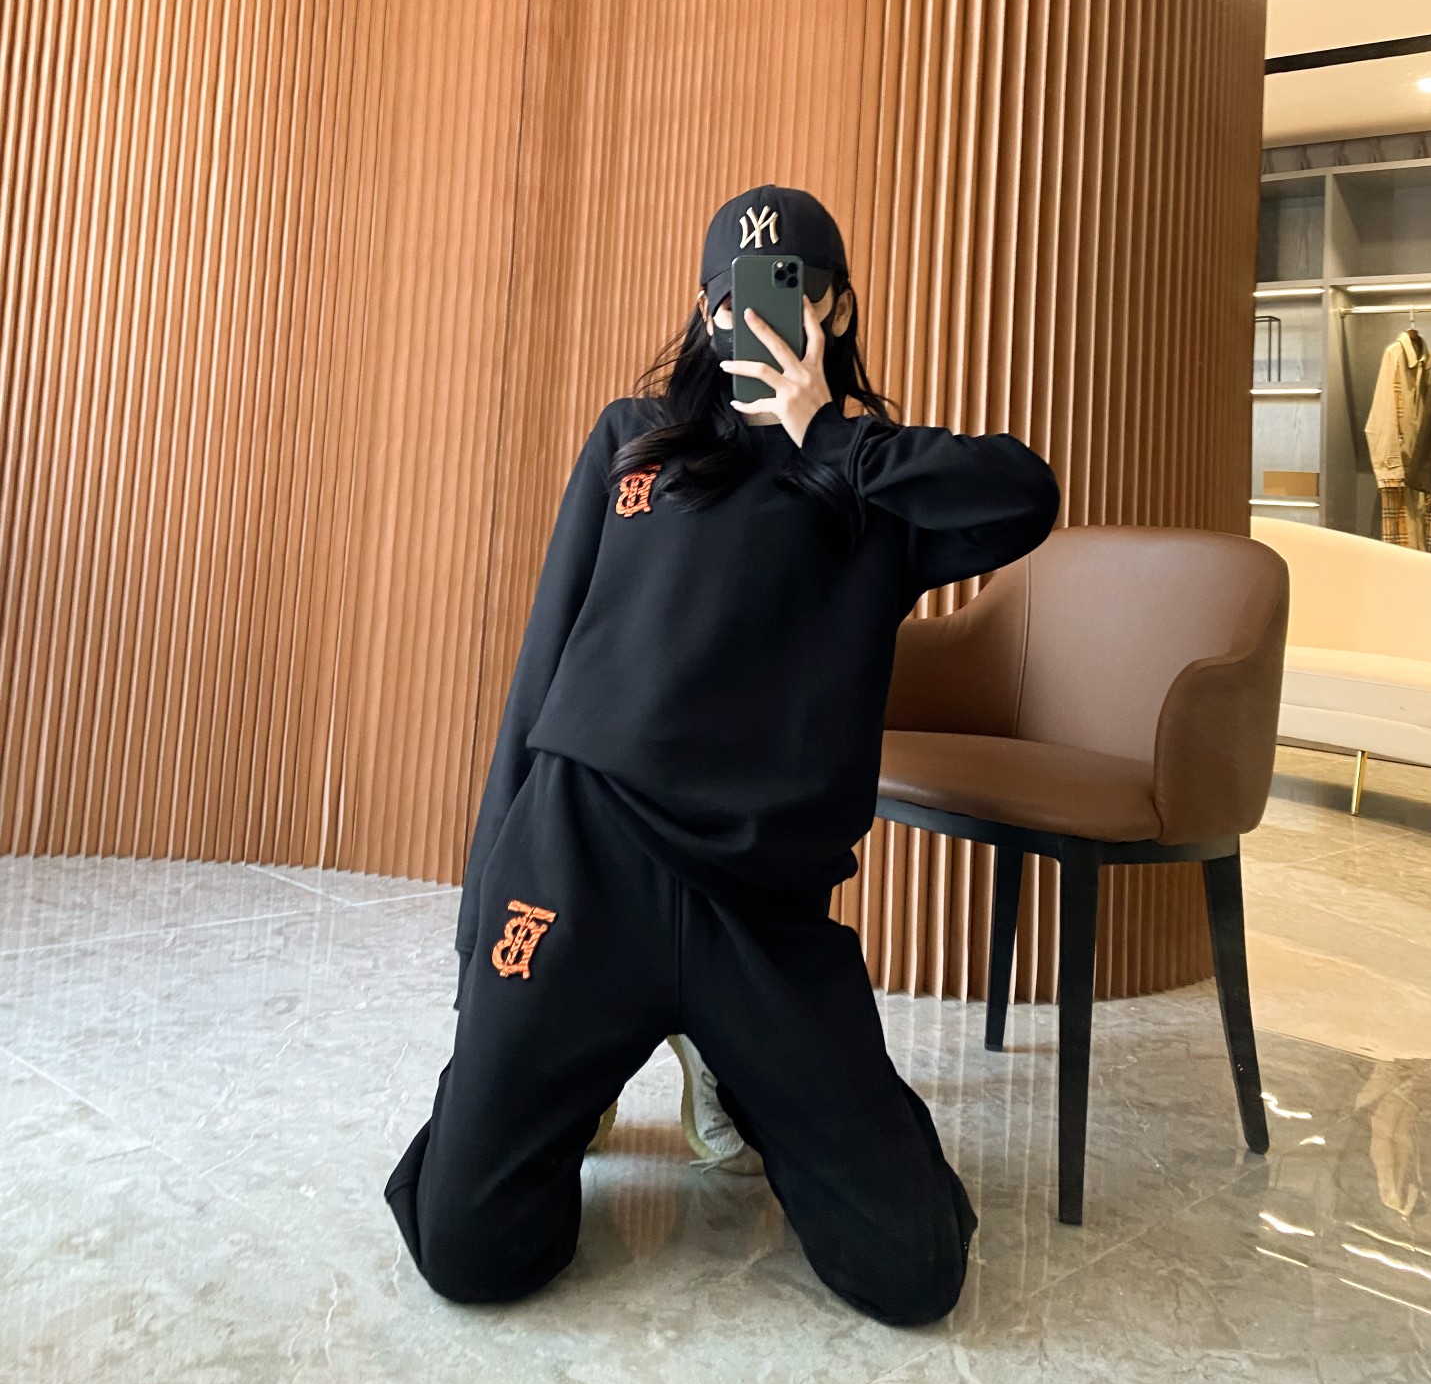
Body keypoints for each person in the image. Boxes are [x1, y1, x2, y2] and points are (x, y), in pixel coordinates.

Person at [385, 183, 1060, 1325]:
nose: (750, 316)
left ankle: (723, 1056)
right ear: (704, 316)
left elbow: (1023, 497)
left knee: (909, 1272)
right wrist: (477, 924)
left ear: (833, 307)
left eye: (787, 289)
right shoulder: (630, 440)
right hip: (579, 862)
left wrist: (829, 434)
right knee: (470, 1252)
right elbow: (542, 670)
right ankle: (567, 1064)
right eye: (727, 299)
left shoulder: (869, 478)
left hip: (760, 906)